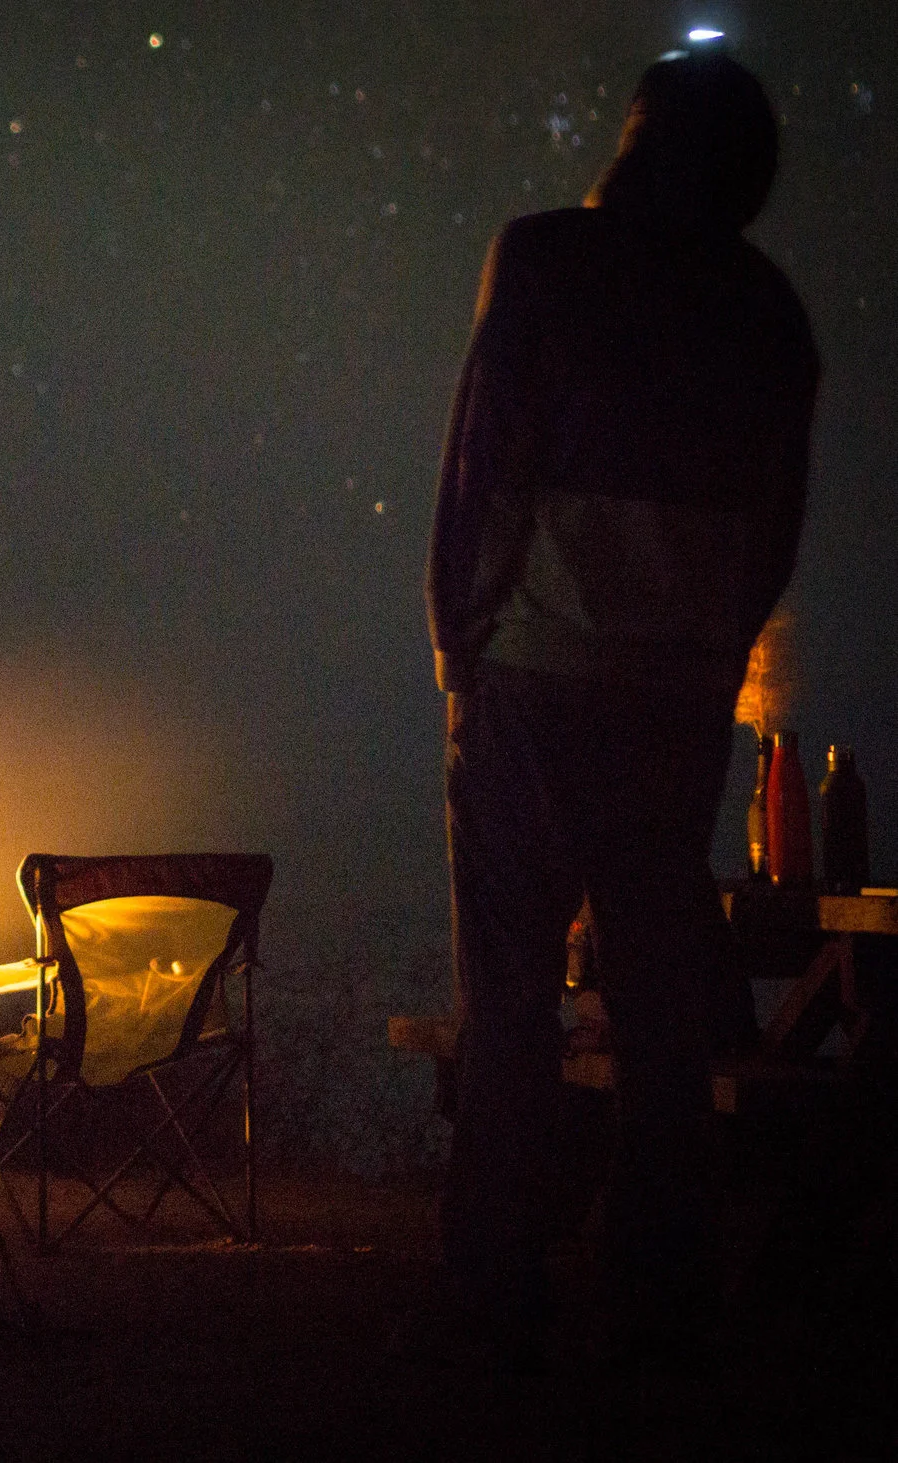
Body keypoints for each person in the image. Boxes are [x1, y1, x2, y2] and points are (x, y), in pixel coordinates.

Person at [424, 47, 818, 1372]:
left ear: (637, 140)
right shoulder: (772, 316)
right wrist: (710, 662)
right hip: (676, 700)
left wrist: (458, 659)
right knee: (660, 1008)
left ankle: (493, 1283)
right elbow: (775, 534)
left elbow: (485, 474)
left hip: (534, 677)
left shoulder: (541, 261)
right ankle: (658, 1286)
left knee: (514, 995)